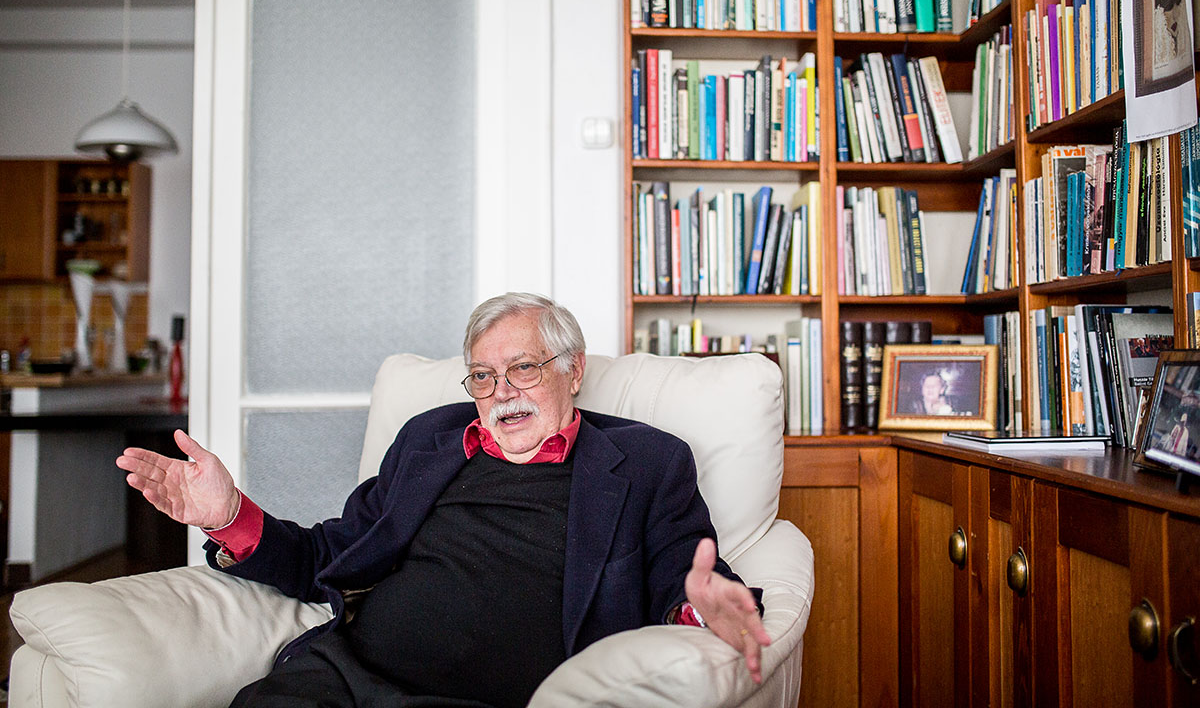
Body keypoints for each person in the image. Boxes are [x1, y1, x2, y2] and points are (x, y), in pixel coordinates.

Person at [117, 292, 770, 708]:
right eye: (483, 375)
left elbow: (691, 578)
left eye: (524, 368)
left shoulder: (648, 461)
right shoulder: (429, 438)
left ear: (573, 370)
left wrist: (703, 609)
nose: (501, 391)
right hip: (342, 676)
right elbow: (329, 554)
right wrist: (230, 515)